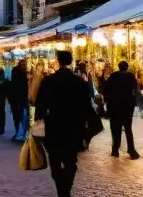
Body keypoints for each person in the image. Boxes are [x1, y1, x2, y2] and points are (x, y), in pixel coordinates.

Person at [34, 50, 91, 197]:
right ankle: (66, 188)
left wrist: (38, 121)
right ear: (71, 61)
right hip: (74, 126)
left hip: (54, 125)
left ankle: (62, 189)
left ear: (58, 61)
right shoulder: (79, 82)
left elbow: (41, 104)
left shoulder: (49, 81)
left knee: (54, 158)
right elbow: (86, 106)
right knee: (71, 161)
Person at [104, 60, 140, 159]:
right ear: (127, 67)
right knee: (128, 129)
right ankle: (131, 151)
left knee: (116, 129)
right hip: (127, 108)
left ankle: (115, 150)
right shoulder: (131, 76)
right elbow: (135, 91)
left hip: (115, 107)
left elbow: (105, 89)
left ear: (119, 67)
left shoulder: (113, 76)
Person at [8, 58, 30, 142]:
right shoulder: (23, 75)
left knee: (18, 117)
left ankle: (19, 133)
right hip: (21, 100)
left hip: (17, 100)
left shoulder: (16, 74)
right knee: (23, 117)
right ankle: (21, 133)